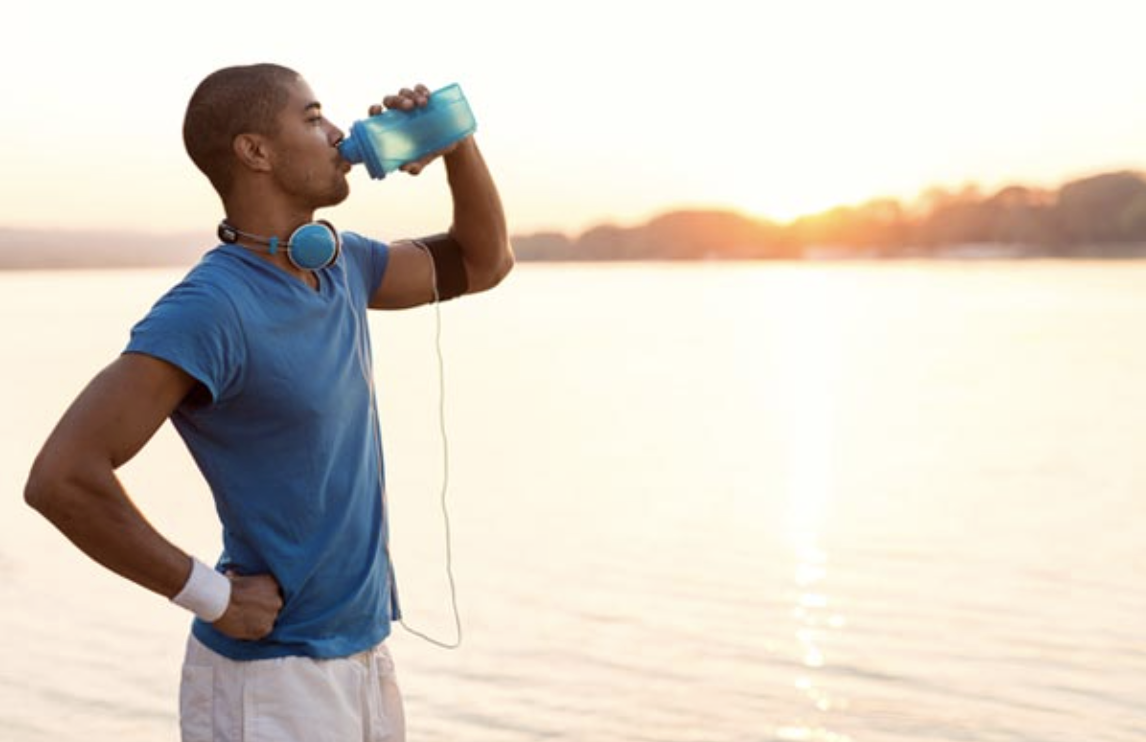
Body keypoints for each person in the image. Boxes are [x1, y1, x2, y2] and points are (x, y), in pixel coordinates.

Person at [23, 63, 511, 742]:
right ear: (255, 151)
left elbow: (484, 262)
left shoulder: (340, 263)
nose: (340, 131)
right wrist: (211, 595)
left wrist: (455, 141)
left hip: (366, 657)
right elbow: (61, 478)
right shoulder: (210, 309)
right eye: (313, 118)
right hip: (272, 685)